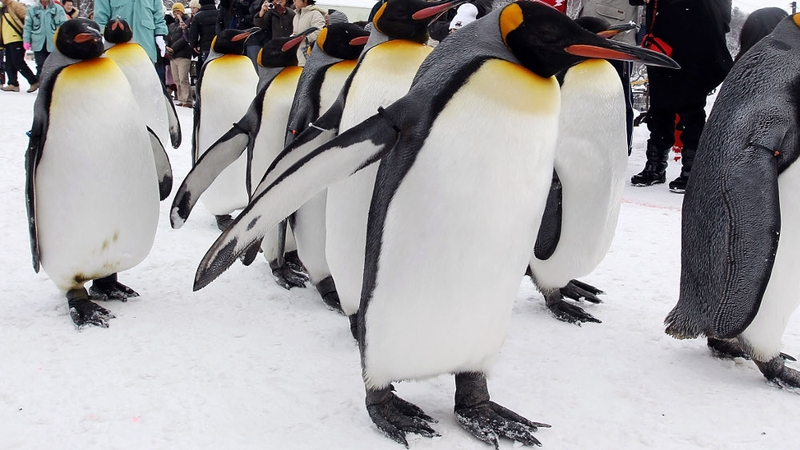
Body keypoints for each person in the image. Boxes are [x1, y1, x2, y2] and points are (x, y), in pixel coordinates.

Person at [630, 0, 732, 193]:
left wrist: (719, 25)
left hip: (697, 33)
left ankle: (692, 170)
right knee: (660, 104)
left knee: (691, 104)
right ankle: (655, 165)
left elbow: (723, 10)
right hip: (663, 35)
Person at [579, 0, 641, 154]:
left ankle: (618, 153)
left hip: (616, 39)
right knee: (583, 98)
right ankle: (585, 150)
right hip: (587, 33)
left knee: (617, 99)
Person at [94, 0, 169, 65]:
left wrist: (159, 34)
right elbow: (100, 15)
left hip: (145, 44)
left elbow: (158, 14)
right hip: (116, 44)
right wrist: (101, 33)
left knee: (145, 79)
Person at [23, 0, 67, 79]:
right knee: (40, 65)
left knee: (54, 66)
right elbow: (27, 26)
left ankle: (53, 87)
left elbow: (64, 25)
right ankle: (41, 86)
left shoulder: (58, 9)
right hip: (38, 42)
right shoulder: (32, 10)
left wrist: (64, 40)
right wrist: (26, 40)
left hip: (54, 42)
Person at [1, 0, 39, 93]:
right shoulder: (3, 7)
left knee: (18, 62)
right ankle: (13, 83)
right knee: (9, 63)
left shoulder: (14, 5)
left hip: (17, 38)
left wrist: (27, 33)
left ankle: (34, 81)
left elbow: (27, 17)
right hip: (7, 40)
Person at [167, 2, 194, 107]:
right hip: (173, 56)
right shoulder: (172, 25)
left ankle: (187, 100)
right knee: (177, 79)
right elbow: (168, 37)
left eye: (178, 11)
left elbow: (185, 38)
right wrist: (167, 47)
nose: (176, 13)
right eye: (174, 11)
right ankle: (181, 98)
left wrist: (173, 48)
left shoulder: (187, 22)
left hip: (183, 54)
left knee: (183, 78)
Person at [291, 0, 325, 67]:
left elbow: (320, 32)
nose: (293, 1)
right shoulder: (296, 16)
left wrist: (305, 38)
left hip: (309, 58)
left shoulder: (315, 14)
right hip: (297, 58)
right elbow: (295, 32)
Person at [189, 0, 218, 69]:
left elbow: (193, 33)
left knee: (207, 68)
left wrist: (194, 45)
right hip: (219, 45)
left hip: (205, 47)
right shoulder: (219, 13)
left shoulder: (198, 16)